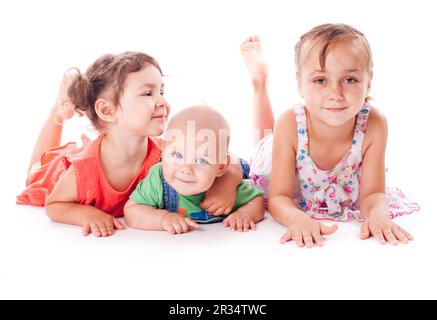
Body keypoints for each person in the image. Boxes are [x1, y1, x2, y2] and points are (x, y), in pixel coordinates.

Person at [17, 52, 243, 237]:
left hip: (93, 150)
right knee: (37, 168)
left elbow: (225, 159)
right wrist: (86, 215)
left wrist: (226, 184)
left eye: (162, 91)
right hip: (55, 175)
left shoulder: (164, 152)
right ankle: (58, 111)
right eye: (148, 93)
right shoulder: (83, 171)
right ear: (106, 110)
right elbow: (54, 205)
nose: (163, 101)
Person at [240, 24, 420, 248]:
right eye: (320, 80)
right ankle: (260, 82)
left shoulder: (374, 124)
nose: (335, 94)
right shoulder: (289, 123)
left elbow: (373, 193)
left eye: (350, 80)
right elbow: (279, 197)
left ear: (369, 82)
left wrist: (378, 216)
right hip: (275, 155)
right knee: (263, 140)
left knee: (269, 136)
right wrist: (297, 218)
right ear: (300, 84)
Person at [124, 106, 265, 234]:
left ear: (221, 167)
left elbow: (257, 200)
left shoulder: (225, 188)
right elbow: (132, 210)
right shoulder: (158, 180)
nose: (186, 169)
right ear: (164, 149)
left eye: (201, 160)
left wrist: (244, 214)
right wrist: (163, 219)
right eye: (177, 155)